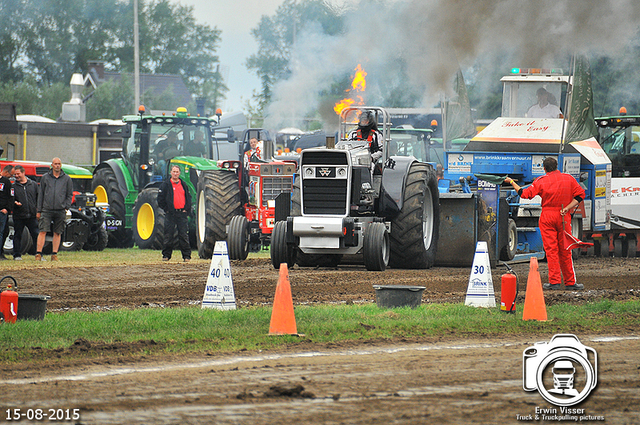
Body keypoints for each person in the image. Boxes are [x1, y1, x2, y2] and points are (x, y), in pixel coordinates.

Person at [505, 157, 585, 290]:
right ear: (557, 166)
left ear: (544, 168)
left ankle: (554, 282)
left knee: (551, 251)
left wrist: (512, 182)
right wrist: (567, 207)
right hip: (563, 216)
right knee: (565, 249)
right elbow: (580, 195)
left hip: (547, 217)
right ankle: (570, 282)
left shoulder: (541, 181)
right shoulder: (568, 179)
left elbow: (524, 194)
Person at [35, 157, 73, 261]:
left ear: (61, 165)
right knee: (43, 231)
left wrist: (66, 206)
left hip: (60, 210)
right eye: (55, 164)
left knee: (58, 232)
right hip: (46, 209)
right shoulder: (45, 178)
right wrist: (39, 210)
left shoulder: (67, 179)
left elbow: (69, 194)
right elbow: (41, 194)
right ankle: (38, 254)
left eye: (59, 164)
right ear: (52, 165)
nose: (57, 166)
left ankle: (54, 254)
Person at [157, 165, 191, 262]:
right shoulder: (165, 185)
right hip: (170, 214)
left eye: (177, 172)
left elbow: (188, 197)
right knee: (168, 235)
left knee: (183, 235)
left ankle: (186, 256)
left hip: (182, 214)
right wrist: (167, 209)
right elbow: (160, 199)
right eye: (174, 171)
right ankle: (166, 256)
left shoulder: (184, 184)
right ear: (170, 173)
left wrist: (186, 209)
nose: (175, 174)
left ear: (179, 173)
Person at [11, 165, 39, 260]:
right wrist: (14, 203)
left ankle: (38, 254)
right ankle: (17, 255)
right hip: (19, 215)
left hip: (31, 215)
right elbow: (10, 199)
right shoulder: (13, 186)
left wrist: (37, 210)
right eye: (15, 174)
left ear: (23, 173)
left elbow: (38, 198)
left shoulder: (33, 185)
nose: (16, 176)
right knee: (18, 235)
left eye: (18, 174)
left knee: (36, 234)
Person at [0, 165, 14, 260]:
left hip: (3, 212)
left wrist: (7, 209)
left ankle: (0, 253)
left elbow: (11, 197)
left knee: (3, 232)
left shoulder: (6, 182)